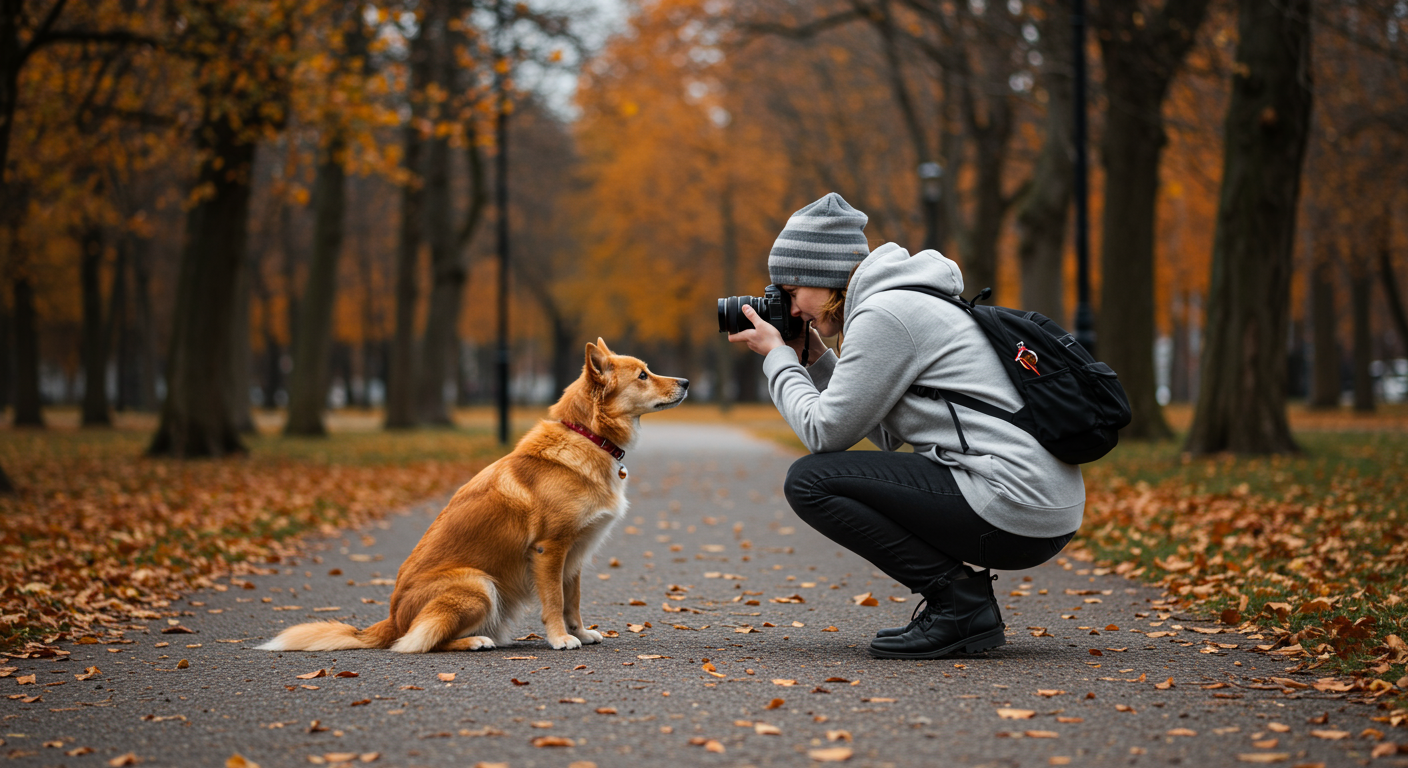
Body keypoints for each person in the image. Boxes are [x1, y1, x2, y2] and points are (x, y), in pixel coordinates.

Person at [727, 192, 1084, 660]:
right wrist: (812, 357)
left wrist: (777, 358)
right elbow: (889, 434)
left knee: (810, 481)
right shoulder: (905, 301)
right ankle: (962, 606)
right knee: (821, 476)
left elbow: (824, 433)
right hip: (1040, 505)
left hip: (1014, 504)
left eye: (792, 293)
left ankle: (960, 605)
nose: (791, 310)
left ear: (824, 276)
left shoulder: (885, 314)